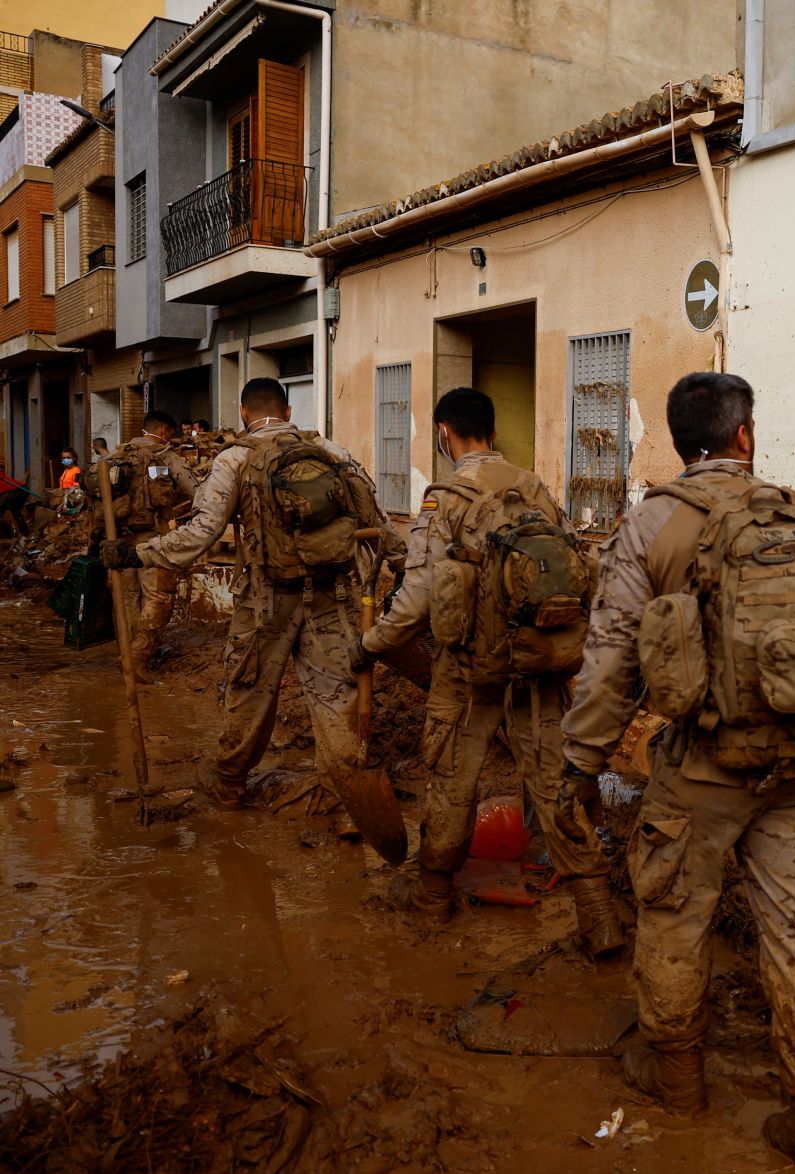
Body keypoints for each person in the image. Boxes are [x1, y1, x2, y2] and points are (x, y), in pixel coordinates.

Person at [561, 372, 795, 1174]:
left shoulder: (651, 525)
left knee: (673, 913)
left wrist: (581, 765)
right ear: (745, 437)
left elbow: (610, 660)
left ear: (679, 444)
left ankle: (678, 1080)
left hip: (705, 767)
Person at [357, 386, 618, 949]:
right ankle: (598, 913)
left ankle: (433, 898)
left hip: (468, 670)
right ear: (494, 433)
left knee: (453, 780)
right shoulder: (534, 488)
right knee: (553, 781)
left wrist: (373, 642)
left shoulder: (444, 499)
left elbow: (418, 596)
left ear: (444, 434)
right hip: (538, 660)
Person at [102, 378, 403, 825]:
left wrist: (138, 554)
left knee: (250, 692)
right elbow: (377, 520)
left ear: (244, 413)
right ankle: (345, 797)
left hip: (265, 601)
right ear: (288, 411)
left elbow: (203, 531)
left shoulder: (234, 459)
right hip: (331, 596)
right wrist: (403, 566)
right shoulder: (331, 451)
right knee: (336, 693)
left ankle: (229, 788)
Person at [100, 410, 203, 671]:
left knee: (126, 598)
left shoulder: (115, 456)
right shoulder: (165, 456)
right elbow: (197, 492)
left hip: (117, 540)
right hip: (152, 539)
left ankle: (126, 656)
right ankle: (139, 657)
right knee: (159, 596)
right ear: (164, 431)